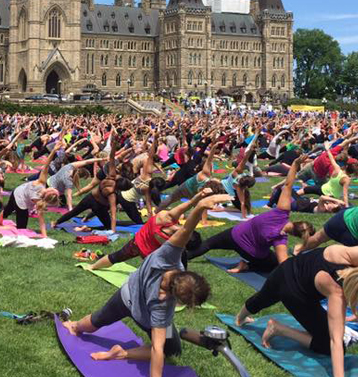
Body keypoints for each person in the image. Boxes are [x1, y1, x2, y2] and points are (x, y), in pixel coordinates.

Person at [62, 194, 231, 376]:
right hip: (143, 314)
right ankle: (122, 353)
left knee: (96, 321)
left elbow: (185, 231)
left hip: (125, 296)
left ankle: (75, 326)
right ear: (181, 301)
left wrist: (200, 206)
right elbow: (157, 350)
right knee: (169, 350)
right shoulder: (162, 307)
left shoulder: (167, 257)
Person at [235, 244, 358, 376]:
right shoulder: (337, 294)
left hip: (285, 269)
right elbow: (336, 341)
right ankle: (278, 329)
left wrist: (353, 316)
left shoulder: (348, 254)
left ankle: (239, 318)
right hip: (294, 293)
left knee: (260, 299)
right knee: (327, 344)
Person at [188, 155, 315, 272]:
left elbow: (288, 185)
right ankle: (246, 265)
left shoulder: (282, 212)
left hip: (235, 234)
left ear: (296, 222)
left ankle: (180, 257)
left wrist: (295, 164)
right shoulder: (280, 239)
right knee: (272, 263)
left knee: (208, 244)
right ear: (295, 235)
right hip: (249, 251)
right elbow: (284, 265)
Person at [89, 188, 213, 271]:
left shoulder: (168, 218)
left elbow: (190, 204)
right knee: (175, 266)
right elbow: (191, 208)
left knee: (115, 257)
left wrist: (201, 196)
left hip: (139, 245)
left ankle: (93, 266)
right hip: (148, 252)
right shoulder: (175, 241)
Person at [0, 144, 60, 238]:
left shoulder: (41, 185)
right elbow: (47, 164)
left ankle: (0, 220)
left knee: (21, 228)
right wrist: (53, 150)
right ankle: (0, 221)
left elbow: (41, 220)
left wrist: (44, 236)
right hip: (19, 195)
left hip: (21, 194)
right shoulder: (41, 184)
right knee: (11, 213)